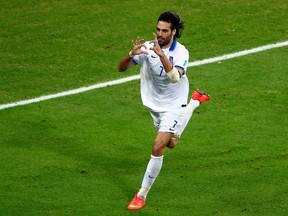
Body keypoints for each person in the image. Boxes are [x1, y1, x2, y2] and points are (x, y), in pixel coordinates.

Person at [117, 11, 210, 210]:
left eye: (164, 31)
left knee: (158, 146)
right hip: (154, 105)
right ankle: (194, 102)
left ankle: (141, 194)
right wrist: (131, 54)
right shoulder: (148, 48)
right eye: (158, 29)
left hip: (174, 104)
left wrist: (161, 56)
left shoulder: (181, 52)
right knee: (171, 143)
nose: (159, 34)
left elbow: (175, 77)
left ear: (173, 32)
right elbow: (121, 69)